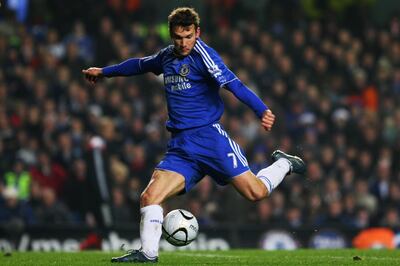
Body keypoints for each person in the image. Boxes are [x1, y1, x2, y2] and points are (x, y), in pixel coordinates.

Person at [82, 7, 306, 263]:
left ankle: (285, 163)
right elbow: (139, 65)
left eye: (188, 36)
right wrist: (104, 71)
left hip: (210, 140)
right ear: (171, 35)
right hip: (181, 146)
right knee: (149, 197)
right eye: (178, 37)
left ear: (197, 33)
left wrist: (261, 110)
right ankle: (148, 254)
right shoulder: (166, 57)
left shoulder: (205, 56)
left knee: (255, 193)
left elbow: (235, 85)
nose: (184, 42)